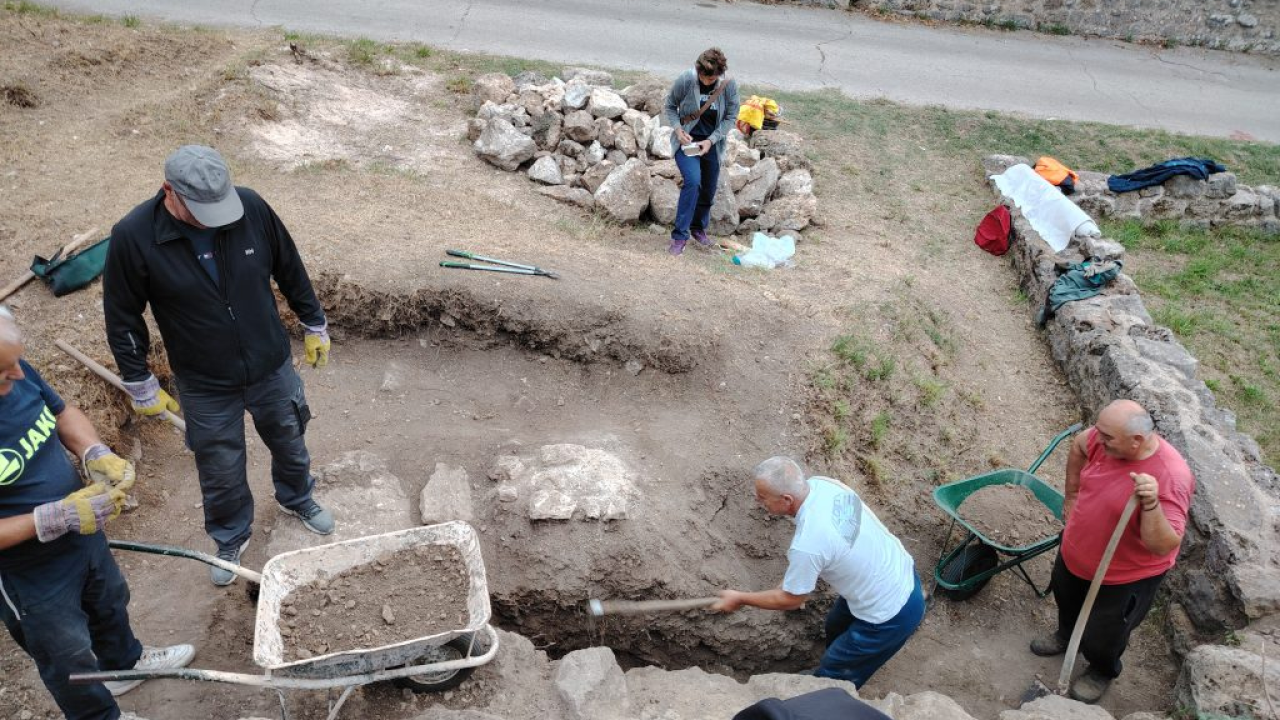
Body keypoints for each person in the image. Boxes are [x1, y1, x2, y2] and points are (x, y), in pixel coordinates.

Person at [103, 145, 336, 587]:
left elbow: (290, 265)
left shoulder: (249, 206)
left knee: (290, 438)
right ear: (169, 191)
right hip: (204, 381)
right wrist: (138, 379)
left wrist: (313, 321)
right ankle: (230, 536)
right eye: (201, 210)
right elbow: (121, 314)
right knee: (220, 466)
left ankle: (297, 497)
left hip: (269, 364)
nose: (216, 217)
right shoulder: (134, 235)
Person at [0, 307, 195, 720]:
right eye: (2, 375)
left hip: (81, 526)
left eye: (15, 364)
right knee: (65, 653)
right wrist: (48, 520)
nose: (16, 377)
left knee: (108, 599)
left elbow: (60, 411)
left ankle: (124, 665)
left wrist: (94, 451)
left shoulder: (11, 367)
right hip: (28, 572)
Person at [1030, 399, 1194, 703]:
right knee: (1066, 600)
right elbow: (1079, 445)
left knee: (1104, 634)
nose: (1097, 438)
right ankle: (1066, 636)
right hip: (1075, 553)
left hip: (1122, 578)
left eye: (1107, 437)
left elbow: (1163, 545)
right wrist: (1072, 495)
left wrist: (1152, 504)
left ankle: (1101, 669)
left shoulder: (1171, 476)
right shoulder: (1102, 440)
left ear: (1136, 441)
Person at [713, 457, 925, 688]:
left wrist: (740, 598)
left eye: (763, 497)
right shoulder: (825, 486)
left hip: (889, 615)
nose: (757, 501)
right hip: (898, 573)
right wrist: (792, 581)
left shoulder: (809, 543)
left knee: (833, 678)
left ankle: (830, 680)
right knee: (835, 625)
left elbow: (792, 600)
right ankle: (831, 664)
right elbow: (830, 545)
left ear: (786, 500)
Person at [663, 47, 740, 256]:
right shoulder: (687, 80)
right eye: (702, 76)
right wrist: (678, 131)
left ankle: (698, 228)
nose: (705, 81)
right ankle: (679, 236)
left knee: (708, 189)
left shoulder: (728, 86)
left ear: (719, 74)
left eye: (710, 78)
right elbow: (670, 106)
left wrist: (711, 140)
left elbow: (731, 117)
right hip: (686, 143)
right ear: (697, 69)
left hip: (711, 145)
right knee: (693, 181)